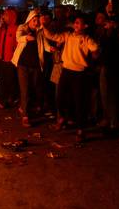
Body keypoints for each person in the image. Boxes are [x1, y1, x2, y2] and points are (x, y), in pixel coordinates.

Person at [42, 13, 99, 142]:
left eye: (80, 23)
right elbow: (53, 36)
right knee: (60, 97)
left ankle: (80, 129)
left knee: (79, 101)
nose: (77, 25)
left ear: (85, 26)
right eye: (76, 22)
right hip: (66, 70)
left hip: (80, 73)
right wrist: (44, 25)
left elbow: (96, 49)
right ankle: (62, 117)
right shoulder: (67, 36)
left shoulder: (86, 39)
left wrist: (93, 59)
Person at [12, 9, 48, 127]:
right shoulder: (22, 28)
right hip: (23, 64)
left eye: (37, 20)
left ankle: (24, 108)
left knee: (33, 88)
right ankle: (25, 116)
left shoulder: (40, 31)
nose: (36, 22)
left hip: (36, 65)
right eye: (34, 20)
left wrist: (51, 49)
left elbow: (44, 44)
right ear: (29, 20)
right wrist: (26, 38)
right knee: (25, 89)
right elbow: (18, 38)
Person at [0, 9, 18, 107]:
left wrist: (14, 57)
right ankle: (3, 99)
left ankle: (10, 99)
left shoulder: (15, 29)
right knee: (2, 80)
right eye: (4, 15)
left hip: (10, 60)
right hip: (2, 59)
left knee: (10, 81)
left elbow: (17, 45)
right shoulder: (3, 28)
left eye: (6, 15)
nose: (3, 17)